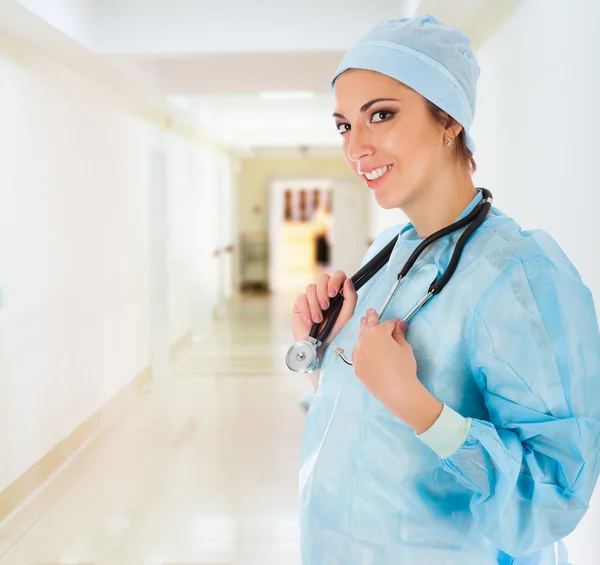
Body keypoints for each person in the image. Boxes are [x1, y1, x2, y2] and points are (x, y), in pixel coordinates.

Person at [291, 14, 600, 565]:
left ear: (448, 119)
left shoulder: (517, 275)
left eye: (379, 116)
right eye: (343, 126)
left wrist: (418, 405)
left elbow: (551, 493)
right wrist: (326, 355)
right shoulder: (387, 255)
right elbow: (370, 430)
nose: (356, 147)